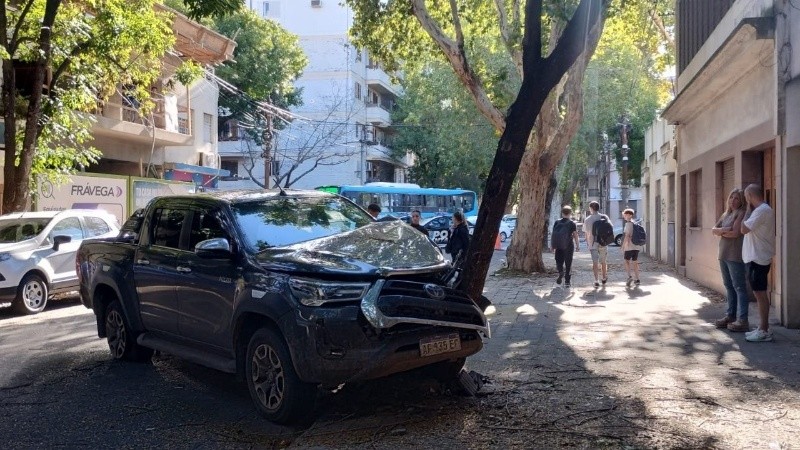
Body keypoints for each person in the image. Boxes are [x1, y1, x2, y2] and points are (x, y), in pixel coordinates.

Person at [740, 184, 776, 342]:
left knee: (760, 293)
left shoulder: (761, 210)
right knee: (758, 292)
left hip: (758, 258)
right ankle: (763, 327)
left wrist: (747, 209)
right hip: (755, 258)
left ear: (749, 196)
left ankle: (764, 330)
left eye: (746, 197)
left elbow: (743, 229)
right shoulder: (761, 210)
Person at [712, 189, 749, 332]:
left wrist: (721, 231)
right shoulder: (726, 213)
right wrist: (724, 229)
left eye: (737, 199)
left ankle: (742, 319)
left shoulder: (742, 213)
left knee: (739, 287)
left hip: (735, 255)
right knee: (728, 286)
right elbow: (713, 229)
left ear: (742, 201)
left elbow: (735, 233)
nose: (733, 201)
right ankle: (730, 316)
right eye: (731, 197)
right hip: (723, 254)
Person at [582, 201, 611, 287]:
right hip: (603, 243)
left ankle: (596, 280)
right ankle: (604, 277)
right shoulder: (605, 217)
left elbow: (586, 233)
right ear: (598, 208)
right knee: (603, 262)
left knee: (595, 262)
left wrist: (588, 244)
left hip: (593, 243)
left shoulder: (587, 219)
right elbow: (610, 228)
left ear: (591, 208)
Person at [551, 205, 579, 287]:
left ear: (562, 213)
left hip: (558, 246)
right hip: (568, 246)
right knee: (568, 264)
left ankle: (560, 272)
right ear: (570, 213)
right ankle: (567, 282)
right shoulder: (572, 223)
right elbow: (575, 235)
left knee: (558, 261)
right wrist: (577, 245)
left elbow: (553, 234)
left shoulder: (557, 222)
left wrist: (552, 246)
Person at [621, 208, 641, 287]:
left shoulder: (628, 224)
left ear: (630, 215)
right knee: (635, 262)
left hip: (629, 247)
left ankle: (629, 276)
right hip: (636, 247)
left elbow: (627, 236)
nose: (624, 216)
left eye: (625, 215)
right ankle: (637, 279)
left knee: (626, 261)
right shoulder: (635, 223)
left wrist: (622, 246)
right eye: (624, 215)